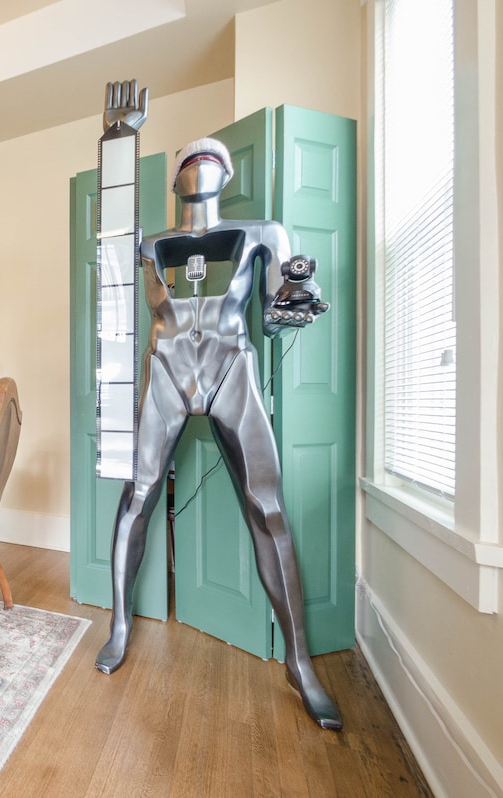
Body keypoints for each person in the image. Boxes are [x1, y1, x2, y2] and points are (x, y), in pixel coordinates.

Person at [93, 135, 343, 731]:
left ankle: (301, 662)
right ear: (174, 176)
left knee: (268, 508)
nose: (200, 161)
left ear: (226, 174)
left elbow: (284, 308)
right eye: (188, 157)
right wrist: (115, 138)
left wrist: (296, 301)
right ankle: (120, 624)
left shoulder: (265, 233)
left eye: (212, 157)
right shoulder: (147, 244)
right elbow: (113, 298)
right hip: (166, 367)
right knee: (138, 497)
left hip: (233, 366)